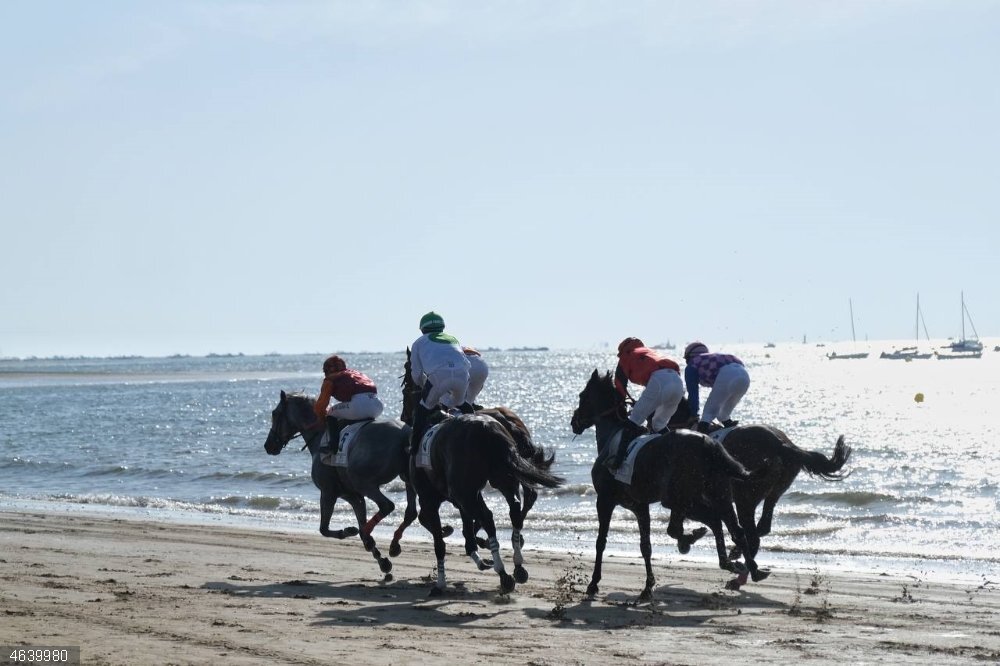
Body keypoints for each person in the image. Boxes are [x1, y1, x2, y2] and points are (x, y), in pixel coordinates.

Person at [608, 337, 685, 470]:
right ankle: (676, 453)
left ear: (624, 350)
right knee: (659, 424)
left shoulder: (626, 355)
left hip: (659, 382)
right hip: (678, 382)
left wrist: (620, 403)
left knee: (632, 423)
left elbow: (620, 384)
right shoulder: (651, 352)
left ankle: (617, 463)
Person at [409, 311, 472, 457]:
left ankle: (414, 448)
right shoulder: (453, 339)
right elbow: (465, 362)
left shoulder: (418, 342)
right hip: (463, 375)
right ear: (442, 327)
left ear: (422, 329)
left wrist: (421, 385)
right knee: (461, 403)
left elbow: (416, 373)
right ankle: (475, 421)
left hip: (439, 377)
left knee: (422, 409)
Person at [313, 355, 383, 452]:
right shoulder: (356, 373)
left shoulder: (330, 379)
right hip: (377, 405)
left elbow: (322, 405)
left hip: (359, 405)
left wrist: (320, 418)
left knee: (331, 413)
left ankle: (333, 446)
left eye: (325, 372)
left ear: (327, 371)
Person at [682, 341, 750, 434]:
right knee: (723, 415)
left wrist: (694, 415)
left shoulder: (692, 364)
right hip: (744, 376)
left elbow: (693, 394)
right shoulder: (711, 358)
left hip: (727, 374)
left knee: (708, 414)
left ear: (689, 357)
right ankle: (729, 426)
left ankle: (701, 442)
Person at [440, 346, 489, 411]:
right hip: (481, 364)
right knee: (469, 400)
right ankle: (471, 405)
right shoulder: (457, 347)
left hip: (461, 362)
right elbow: (480, 387)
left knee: (446, 401)